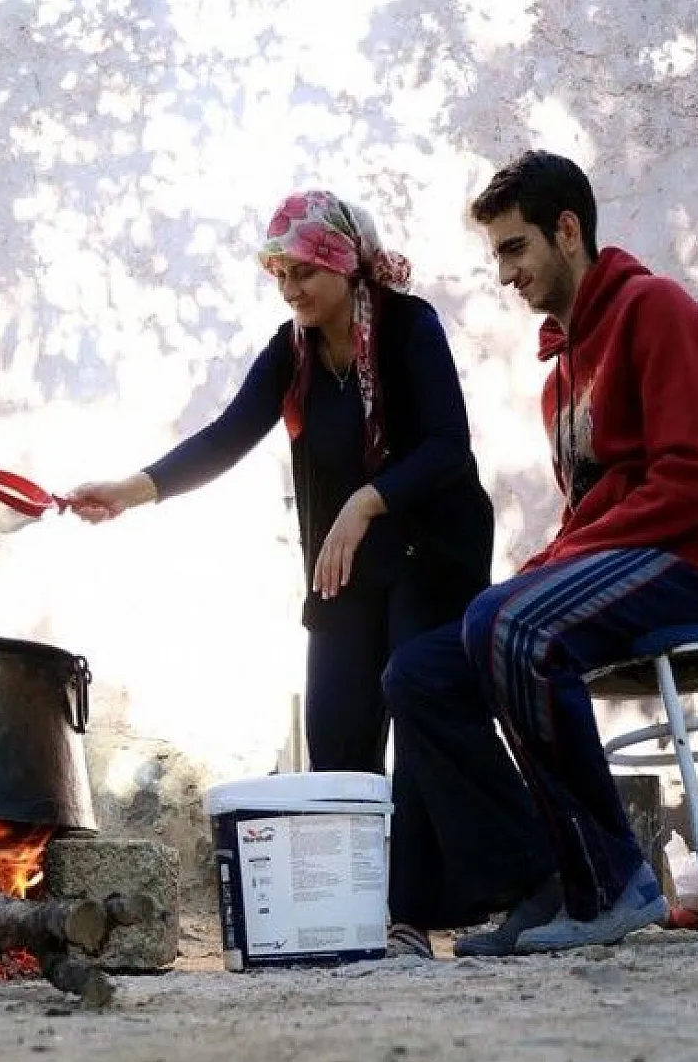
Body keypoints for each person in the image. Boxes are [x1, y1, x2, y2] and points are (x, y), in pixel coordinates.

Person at [66, 190, 503, 958]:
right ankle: (357, 912)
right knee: (337, 724)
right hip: (347, 566)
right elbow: (230, 432)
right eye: (279, 275)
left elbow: (447, 448)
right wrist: (132, 491)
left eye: (304, 271)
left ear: (343, 263)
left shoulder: (409, 327)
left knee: (414, 696)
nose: (292, 289)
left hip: (432, 553)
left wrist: (368, 500)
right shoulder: (293, 350)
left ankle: (413, 915)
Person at [383, 151, 698, 955]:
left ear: (568, 230)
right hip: (622, 567)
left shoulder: (657, 311)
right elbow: (593, 512)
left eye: (516, 249)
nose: (508, 274)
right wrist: (546, 562)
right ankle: (540, 881)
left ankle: (614, 882)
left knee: (511, 623)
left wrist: (553, 567)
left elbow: (691, 486)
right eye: (498, 257)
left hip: (689, 565)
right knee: (417, 673)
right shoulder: (560, 376)